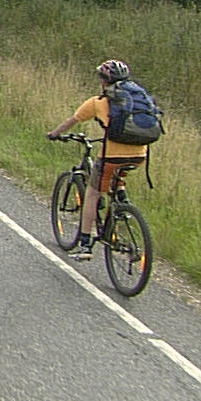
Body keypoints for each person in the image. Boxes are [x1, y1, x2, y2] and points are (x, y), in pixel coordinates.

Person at [46, 59, 148, 257]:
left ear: (103, 81)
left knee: (93, 193)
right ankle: (123, 206)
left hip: (112, 157)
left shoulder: (98, 102)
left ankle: (85, 244)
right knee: (117, 179)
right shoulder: (137, 100)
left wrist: (54, 134)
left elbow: (71, 121)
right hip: (139, 155)